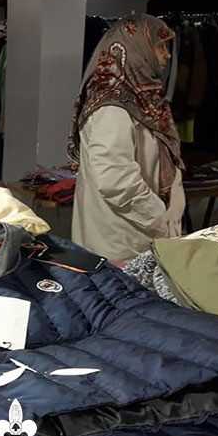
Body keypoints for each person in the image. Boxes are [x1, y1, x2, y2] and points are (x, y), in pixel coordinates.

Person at [69, 15, 186, 262]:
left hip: (138, 235)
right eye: (160, 46)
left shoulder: (142, 98)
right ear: (136, 48)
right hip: (121, 242)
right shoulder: (112, 107)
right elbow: (115, 178)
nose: (167, 55)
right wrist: (160, 219)